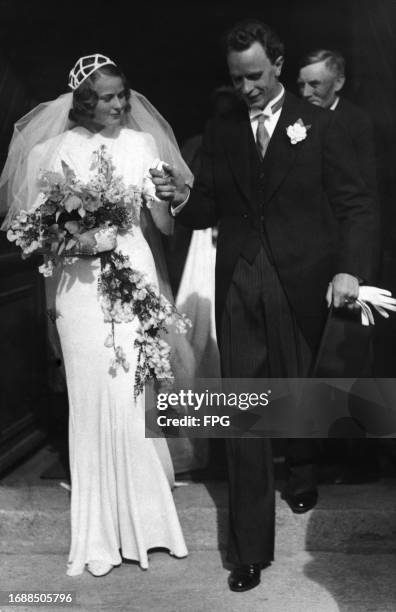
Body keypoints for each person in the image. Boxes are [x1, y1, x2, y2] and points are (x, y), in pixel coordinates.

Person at [150, 19, 379, 592]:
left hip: (301, 278)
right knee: (244, 408)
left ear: (277, 64)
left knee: (296, 387)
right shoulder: (223, 128)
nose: (246, 88)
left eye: (254, 75)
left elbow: (356, 204)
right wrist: (183, 199)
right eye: (236, 78)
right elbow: (210, 208)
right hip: (239, 281)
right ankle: (248, 548)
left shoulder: (320, 126)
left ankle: (302, 470)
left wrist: (350, 268)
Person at [0, 54, 191, 577]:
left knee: (129, 394)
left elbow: (166, 230)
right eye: (106, 97)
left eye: (121, 94)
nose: (118, 104)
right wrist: (76, 237)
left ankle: (148, 524)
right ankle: (100, 531)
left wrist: (165, 199)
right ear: (83, 101)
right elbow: (31, 237)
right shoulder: (49, 151)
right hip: (78, 290)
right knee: (90, 397)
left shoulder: (142, 145)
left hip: (133, 277)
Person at [298, 49, 380, 483]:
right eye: (302, 84)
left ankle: (362, 460)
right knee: (323, 360)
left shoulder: (356, 124)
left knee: (353, 359)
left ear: (339, 83)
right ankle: (326, 453)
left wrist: (357, 269)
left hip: (353, 260)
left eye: (316, 84)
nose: (307, 91)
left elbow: (363, 202)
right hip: (316, 258)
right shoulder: (302, 123)